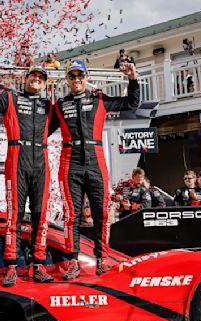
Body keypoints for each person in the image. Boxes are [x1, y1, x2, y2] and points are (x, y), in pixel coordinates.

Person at [0, 51, 54, 287]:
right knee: (14, 215)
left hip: (41, 161)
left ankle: (38, 265)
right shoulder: (11, 99)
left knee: (40, 217)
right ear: (25, 79)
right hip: (17, 159)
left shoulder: (49, 106)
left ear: (45, 83)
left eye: (40, 77)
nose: (36, 79)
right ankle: (12, 266)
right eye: (33, 76)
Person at [51, 59, 139, 277]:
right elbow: (40, 130)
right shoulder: (60, 104)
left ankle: (102, 259)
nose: (77, 79)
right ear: (67, 79)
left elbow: (131, 103)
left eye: (80, 75)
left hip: (95, 159)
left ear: (86, 77)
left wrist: (132, 79)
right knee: (71, 214)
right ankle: (72, 262)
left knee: (101, 212)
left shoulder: (99, 99)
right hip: (69, 161)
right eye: (72, 76)